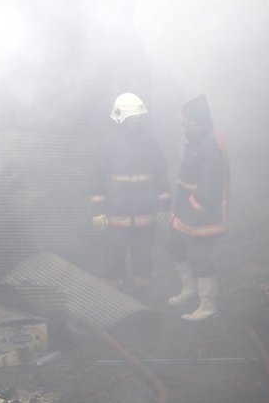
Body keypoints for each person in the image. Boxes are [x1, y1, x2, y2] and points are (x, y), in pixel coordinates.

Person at [90, 92, 171, 291]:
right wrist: (97, 211)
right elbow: (97, 177)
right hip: (116, 212)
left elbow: (161, 173)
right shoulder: (107, 144)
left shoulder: (150, 142)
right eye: (132, 117)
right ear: (120, 117)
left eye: (138, 117)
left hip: (145, 211)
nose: (136, 121)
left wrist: (163, 204)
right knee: (114, 253)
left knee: (143, 253)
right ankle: (112, 290)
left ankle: (142, 291)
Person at [167, 95, 229, 321]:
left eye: (186, 119)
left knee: (199, 257)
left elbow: (210, 189)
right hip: (186, 210)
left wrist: (193, 206)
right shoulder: (197, 138)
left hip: (203, 214)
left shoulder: (210, 145)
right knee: (175, 244)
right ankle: (190, 289)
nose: (183, 123)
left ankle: (208, 305)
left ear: (197, 121)